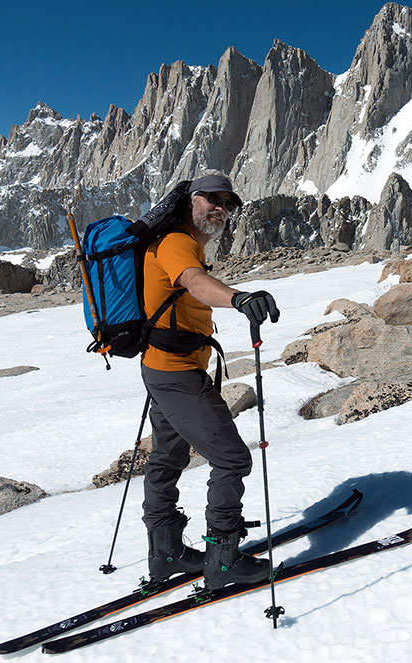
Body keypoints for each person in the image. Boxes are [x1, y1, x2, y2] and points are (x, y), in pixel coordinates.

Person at [137, 172, 279, 589]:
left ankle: (166, 554)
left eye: (228, 203)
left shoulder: (179, 241)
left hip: (163, 367)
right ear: (189, 200)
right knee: (233, 458)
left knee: (167, 458)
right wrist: (239, 298)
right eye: (212, 199)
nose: (221, 207)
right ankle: (223, 559)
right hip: (176, 373)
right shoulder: (177, 242)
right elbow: (194, 282)